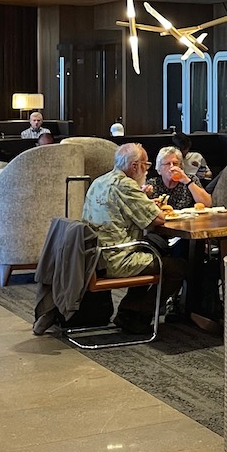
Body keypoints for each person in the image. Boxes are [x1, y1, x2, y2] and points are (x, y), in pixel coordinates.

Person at [61, 143, 186, 335]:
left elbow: (121, 210)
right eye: (146, 164)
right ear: (135, 166)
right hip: (116, 259)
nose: (146, 169)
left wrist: (142, 200)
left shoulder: (100, 180)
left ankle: (129, 311)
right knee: (177, 267)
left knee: (152, 249)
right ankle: (138, 315)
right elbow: (157, 219)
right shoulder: (126, 184)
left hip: (94, 256)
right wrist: (147, 203)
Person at [145, 146, 212, 210]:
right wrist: (146, 195)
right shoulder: (152, 184)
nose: (172, 167)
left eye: (175, 163)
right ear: (159, 169)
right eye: (168, 164)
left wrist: (188, 182)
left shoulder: (190, 179)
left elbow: (207, 204)